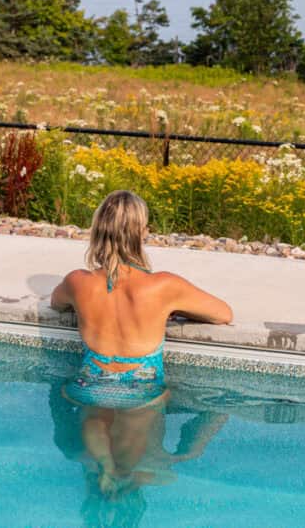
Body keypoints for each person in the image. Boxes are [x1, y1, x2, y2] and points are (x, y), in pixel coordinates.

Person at [50, 190, 232, 497]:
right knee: (139, 424)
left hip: (90, 381)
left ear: (96, 231)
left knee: (97, 415)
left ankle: (105, 466)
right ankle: (122, 473)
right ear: (142, 234)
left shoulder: (78, 281)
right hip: (141, 385)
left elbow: (56, 303)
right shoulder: (163, 286)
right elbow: (223, 314)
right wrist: (172, 307)